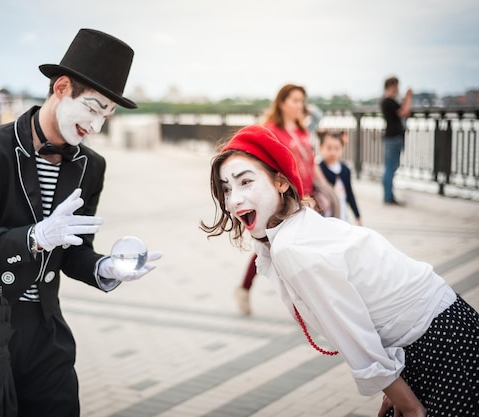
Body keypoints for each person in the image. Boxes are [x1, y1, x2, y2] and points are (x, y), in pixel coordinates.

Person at [0, 28, 161, 417]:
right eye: (94, 108)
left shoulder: (91, 166)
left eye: (107, 115)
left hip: (43, 329)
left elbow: (73, 250)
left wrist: (102, 267)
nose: (96, 126)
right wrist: (33, 238)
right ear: (61, 87)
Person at [201, 124, 478, 417]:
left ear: (281, 182)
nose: (233, 200)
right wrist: (397, 385)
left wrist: (408, 404)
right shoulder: (301, 223)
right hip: (442, 331)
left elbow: (353, 333)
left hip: (440, 344)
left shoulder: (292, 246)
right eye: (227, 189)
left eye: (246, 182)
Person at [234, 84, 338, 315]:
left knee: (304, 248)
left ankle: (312, 300)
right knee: (270, 248)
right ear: (281, 102)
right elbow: (266, 169)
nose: (299, 105)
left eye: (302, 101)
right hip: (287, 198)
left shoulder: (302, 130)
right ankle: (245, 288)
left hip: (309, 197)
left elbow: (310, 163)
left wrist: (328, 190)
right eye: (294, 100)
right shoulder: (270, 131)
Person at [317, 129, 362, 225]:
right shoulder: (319, 169)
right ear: (320, 148)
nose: (333, 152)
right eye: (329, 148)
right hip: (326, 215)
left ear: (342, 149)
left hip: (342, 213)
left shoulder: (345, 170)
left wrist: (357, 216)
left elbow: (350, 194)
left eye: (337, 148)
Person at [380, 76, 412, 206]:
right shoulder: (389, 101)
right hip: (393, 137)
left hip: (390, 137)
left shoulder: (385, 101)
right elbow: (405, 112)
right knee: (390, 167)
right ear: (391, 86)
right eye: (396, 85)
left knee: (390, 166)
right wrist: (409, 97)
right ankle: (388, 197)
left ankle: (388, 195)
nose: (398, 88)